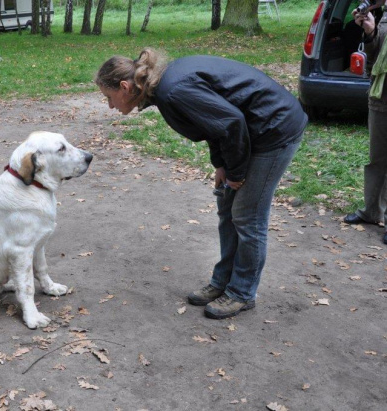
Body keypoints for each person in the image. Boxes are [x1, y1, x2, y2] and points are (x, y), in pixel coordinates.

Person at [95, 49, 307, 319]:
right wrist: (221, 164)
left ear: (125, 87)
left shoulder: (172, 91)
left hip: (274, 128)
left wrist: (237, 174)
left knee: (246, 215)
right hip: (249, 132)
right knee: (226, 208)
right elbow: (212, 123)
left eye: (109, 98)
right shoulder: (165, 90)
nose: (110, 106)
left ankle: (242, 293)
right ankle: (222, 283)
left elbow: (231, 123)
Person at [344, 3, 387, 245]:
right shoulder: (384, 15)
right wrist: (370, 31)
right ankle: (372, 212)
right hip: (381, 95)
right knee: (377, 159)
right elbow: (375, 54)